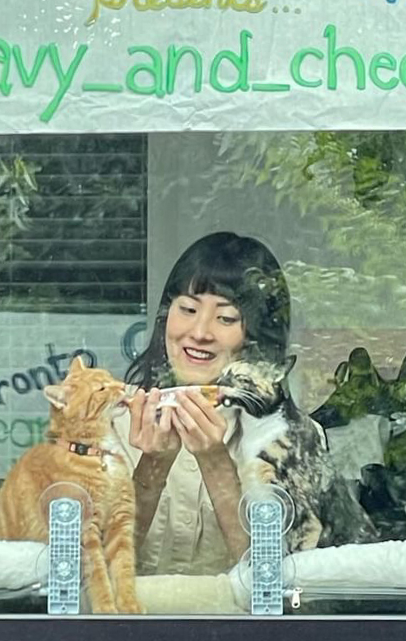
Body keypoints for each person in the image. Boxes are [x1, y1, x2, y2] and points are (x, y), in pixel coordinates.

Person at [117, 231, 291, 576]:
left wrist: (215, 462)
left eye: (226, 318)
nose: (199, 332)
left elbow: (277, 583)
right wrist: (152, 465)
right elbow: (86, 574)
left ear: (257, 337)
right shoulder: (109, 422)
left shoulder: (288, 437)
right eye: (188, 309)